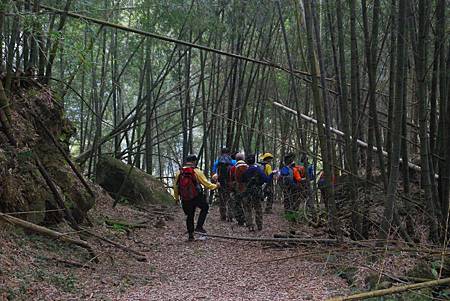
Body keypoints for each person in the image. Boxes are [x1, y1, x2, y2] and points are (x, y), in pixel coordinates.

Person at [174, 154, 219, 241]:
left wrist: (176, 198)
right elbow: (206, 183)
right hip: (196, 196)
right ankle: (199, 226)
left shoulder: (179, 172)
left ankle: (191, 235)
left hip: (185, 198)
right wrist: (216, 186)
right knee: (205, 207)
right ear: (194, 161)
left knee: (190, 215)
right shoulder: (197, 171)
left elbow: (176, 187)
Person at [241, 154, 275, 231]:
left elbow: (242, 180)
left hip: (248, 192)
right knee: (258, 208)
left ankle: (250, 226)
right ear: (254, 160)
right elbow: (266, 179)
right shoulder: (258, 170)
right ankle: (259, 226)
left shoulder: (246, 171)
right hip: (257, 192)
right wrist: (272, 174)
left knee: (248, 209)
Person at [212, 148, 236, 221]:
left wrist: (216, 182)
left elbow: (213, 172)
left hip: (220, 182)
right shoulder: (233, 161)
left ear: (221, 153)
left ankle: (223, 216)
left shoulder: (217, 162)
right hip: (230, 183)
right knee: (230, 199)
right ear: (229, 153)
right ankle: (230, 216)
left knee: (222, 199)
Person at [229, 152, 247, 226]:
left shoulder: (233, 168)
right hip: (246, 187)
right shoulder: (247, 166)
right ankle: (248, 220)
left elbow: (231, 179)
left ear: (236, 159)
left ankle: (240, 220)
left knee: (237, 204)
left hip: (237, 188)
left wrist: (231, 188)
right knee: (246, 204)